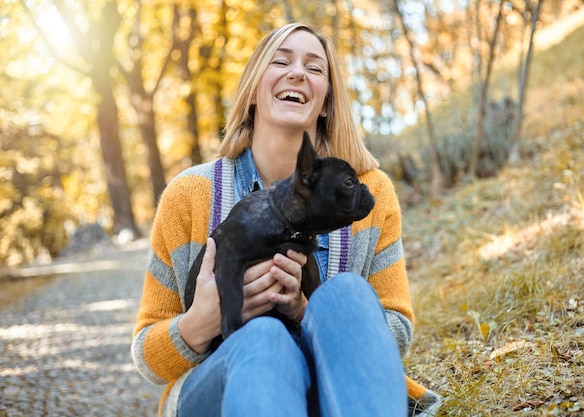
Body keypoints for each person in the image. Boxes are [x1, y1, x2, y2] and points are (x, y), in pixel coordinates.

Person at [131, 22, 440, 417]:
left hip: (338, 389)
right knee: (264, 337)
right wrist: (202, 322)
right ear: (254, 90)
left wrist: (302, 310)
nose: (297, 72)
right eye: (281, 61)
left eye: (315, 68)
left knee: (345, 292)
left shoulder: (369, 194)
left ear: (326, 100)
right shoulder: (188, 195)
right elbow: (146, 355)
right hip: (224, 390)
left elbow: (394, 329)